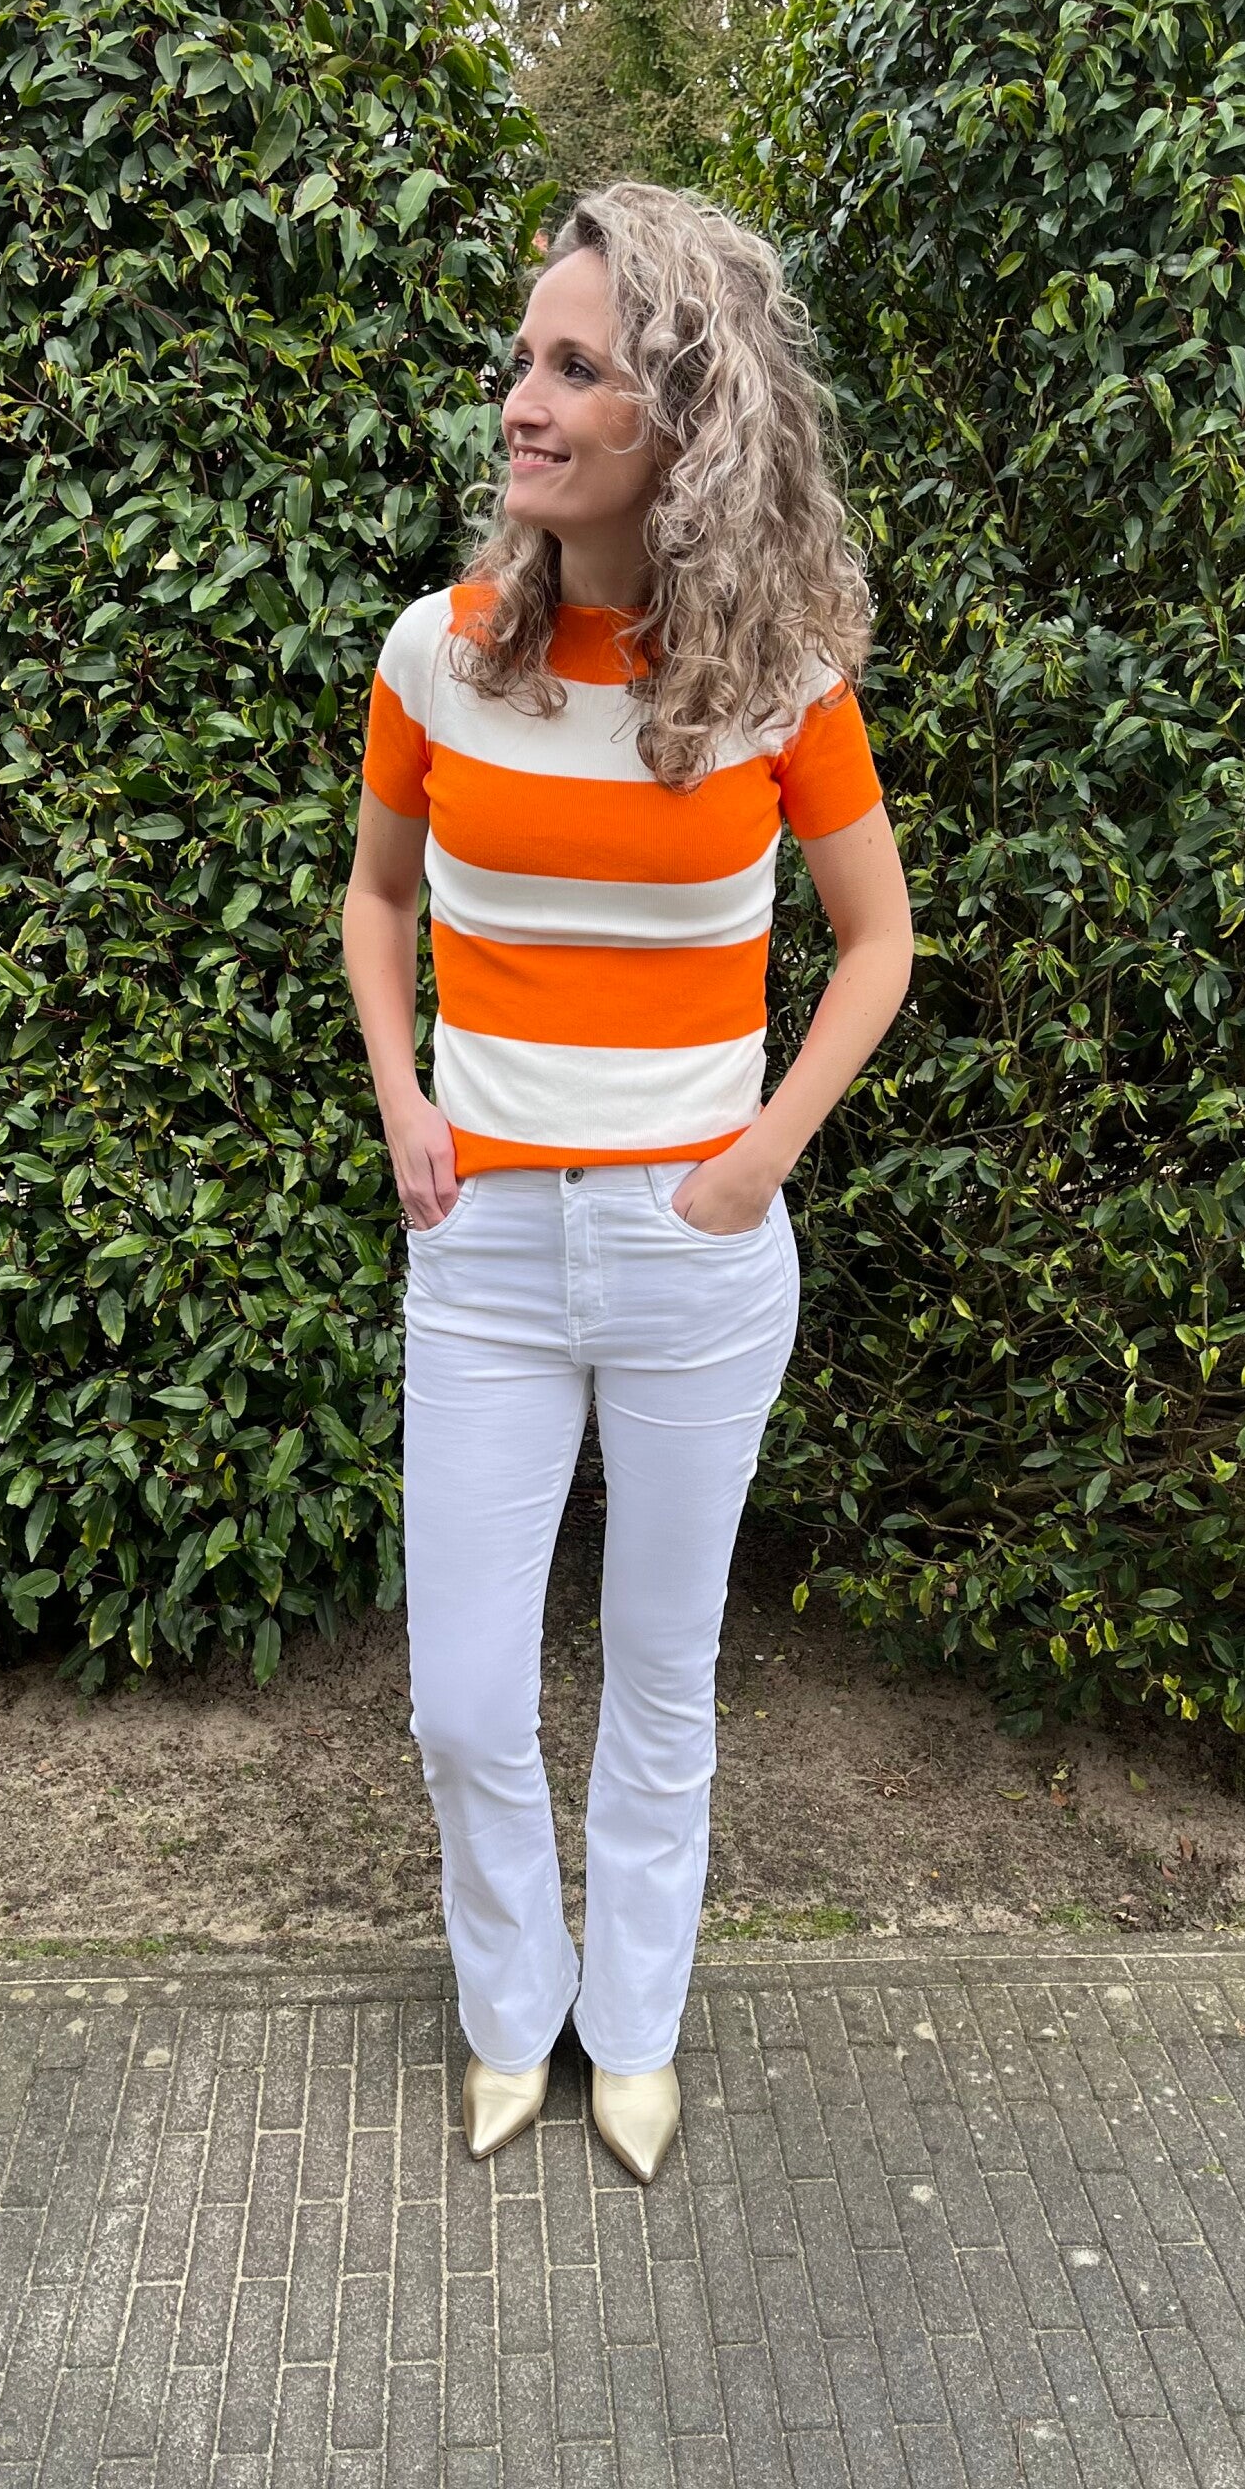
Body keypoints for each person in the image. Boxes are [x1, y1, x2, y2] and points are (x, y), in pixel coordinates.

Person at [340, 181, 913, 2182]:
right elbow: (378, 897)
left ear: (687, 417)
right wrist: (404, 1095)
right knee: (462, 1698)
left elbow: (879, 942)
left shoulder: (780, 681)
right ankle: (515, 2009)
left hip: (695, 1255)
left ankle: (635, 2026)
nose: (524, 397)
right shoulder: (436, 657)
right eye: (525, 357)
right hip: (486, 1247)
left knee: (664, 1679)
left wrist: (755, 1158)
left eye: (576, 365)